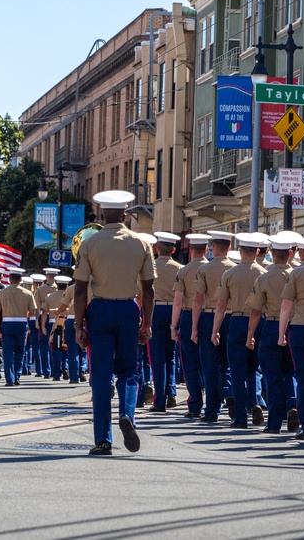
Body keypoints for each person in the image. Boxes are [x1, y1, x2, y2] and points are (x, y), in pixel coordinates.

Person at [73, 190, 155, 456]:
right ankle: (128, 415)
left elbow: (80, 289)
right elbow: (149, 289)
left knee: (100, 375)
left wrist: (78, 325)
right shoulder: (141, 243)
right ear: (124, 215)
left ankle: (103, 441)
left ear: (101, 214)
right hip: (128, 309)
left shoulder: (90, 244)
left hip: (99, 310)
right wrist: (147, 324)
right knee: (129, 371)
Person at [213, 232, 268, 428]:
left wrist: (215, 330)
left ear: (241, 251)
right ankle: (255, 403)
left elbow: (220, 306)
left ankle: (240, 417)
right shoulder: (264, 273)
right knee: (255, 367)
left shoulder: (230, 274)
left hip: (236, 321)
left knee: (236, 369)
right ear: (257, 252)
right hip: (260, 321)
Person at [246, 232, 297, 434]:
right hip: (295, 326)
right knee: (292, 372)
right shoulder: (298, 275)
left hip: (272, 326)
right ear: (291, 254)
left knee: (272, 376)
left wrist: (251, 333)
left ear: (273, 253)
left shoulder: (264, 278)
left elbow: (256, 310)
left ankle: (274, 422)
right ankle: (294, 406)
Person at [190, 231, 236, 423]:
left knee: (209, 365)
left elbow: (198, 300)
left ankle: (212, 410)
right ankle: (228, 392)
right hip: (232, 317)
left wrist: (194, 327)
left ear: (212, 248)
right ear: (230, 248)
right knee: (227, 362)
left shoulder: (204, 270)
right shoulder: (235, 268)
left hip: (209, 316)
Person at [171, 234, 209, 419]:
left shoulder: (184, 271)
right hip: (210, 315)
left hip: (187, 316)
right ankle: (214, 401)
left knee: (190, 362)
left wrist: (173, 326)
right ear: (207, 250)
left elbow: (178, 302)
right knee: (210, 361)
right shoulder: (212, 269)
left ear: (191, 250)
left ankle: (195, 404)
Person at [148, 232, 182, 413]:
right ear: (174, 250)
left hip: (155, 309)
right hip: (175, 310)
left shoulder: (150, 266)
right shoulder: (180, 268)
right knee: (171, 355)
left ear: (157, 248)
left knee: (157, 357)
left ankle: (159, 400)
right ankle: (172, 393)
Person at [0, 267, 37, 386]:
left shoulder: (1, 293)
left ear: (9, 279)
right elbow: (32, 311)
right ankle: (17, 376)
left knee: (7, 352)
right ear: (20, 279)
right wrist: (23, 315)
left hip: (7, 323)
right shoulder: (28, 293)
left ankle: (9, 379)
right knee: (20, 351)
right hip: (22, 323)